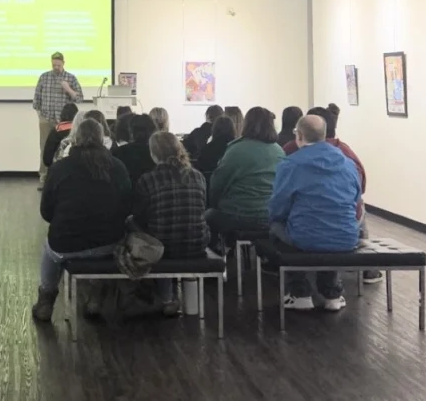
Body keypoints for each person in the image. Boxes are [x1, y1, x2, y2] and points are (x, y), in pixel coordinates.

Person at [31, 119, 131, 322]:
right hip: (109, 242)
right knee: (98, 248)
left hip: (66, 243)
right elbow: (127, 206)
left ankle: (46, 300)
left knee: (49, 251)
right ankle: (95, 298)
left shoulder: (60, 168)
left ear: (75, 138)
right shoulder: (118, 167)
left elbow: (46, 212)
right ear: (102, 139)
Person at [270, 115, 362, 312]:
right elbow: (356, 199)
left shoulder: (291, 164)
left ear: (299, 135)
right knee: (331, 228)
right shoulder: (347, 164)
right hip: (347, 237)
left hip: (305, 237)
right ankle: (332, 294)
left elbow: (278, 205)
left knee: (279, 226)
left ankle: (299, 292)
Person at [282, 106, 377, 283]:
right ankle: (351, 279)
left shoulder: (291, 153)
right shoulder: (347, 155)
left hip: (304, 230)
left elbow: (280, 199)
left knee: (285, 224)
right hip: (346, 234)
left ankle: (298, 288)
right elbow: (359, 190)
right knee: (353, 209)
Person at [133, 131, 210, 307]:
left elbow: (140, 216)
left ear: (153, 154)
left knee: (139, 226)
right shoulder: (198, 176)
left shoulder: (147, 179)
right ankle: (187, 300)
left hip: (161, 248)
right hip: (197, 243)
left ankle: (165, 296)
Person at [207, 107, 285, 251]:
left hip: (238, 216)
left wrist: (214, 204)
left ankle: (218, 261)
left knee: (207, 217)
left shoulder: (236, 150)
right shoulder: (279, 151)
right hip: (270, 216)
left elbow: (217, 184)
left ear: (246, 124)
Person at [33, 52, 83, 187]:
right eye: (54, 65)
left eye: (58, 65)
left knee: (64, 146)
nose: (56, 67)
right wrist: (40, 115)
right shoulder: (44, 77)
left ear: (63, 63)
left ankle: (62, 176)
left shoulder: (71, 78)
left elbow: (79, 98)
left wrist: (69, 89)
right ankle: (44, 178)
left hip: (65, 121)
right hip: (46, 118)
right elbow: (36, 98)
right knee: (45, 147)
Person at [112, 114, 158, 184]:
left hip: (128, 192)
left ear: (131, 131)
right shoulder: (157, 152)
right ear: (152, 131)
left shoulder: (119, 152)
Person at [42, 103, 78, 169]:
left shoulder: (55, 131)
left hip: (58, 169)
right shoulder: (80, 131)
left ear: (61, 115)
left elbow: (47, 159)